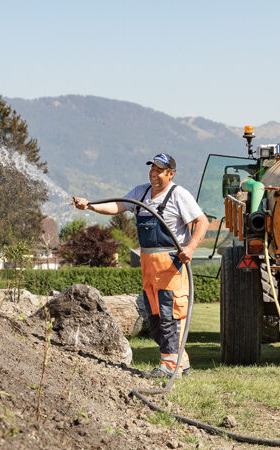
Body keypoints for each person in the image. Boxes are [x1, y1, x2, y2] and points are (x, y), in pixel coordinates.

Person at [71, 153, 208, 378]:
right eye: (152, 169)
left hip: (171, 264)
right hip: (148, 264)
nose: (153, 174)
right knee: (155, 316)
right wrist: (90, 206)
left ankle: (169, 365)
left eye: (159, 171)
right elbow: (117, 205)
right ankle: (181, 362)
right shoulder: (140, 193)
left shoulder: (178, 194)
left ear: (171, 174)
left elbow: (201, 221)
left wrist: (190, 248)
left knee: (170, 314)